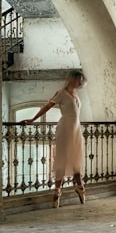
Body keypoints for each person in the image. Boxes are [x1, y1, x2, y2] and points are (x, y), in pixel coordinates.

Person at [21, 70, 87, 208]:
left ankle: (80, 188)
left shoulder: (76, 93)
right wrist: (33, 119)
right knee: (62, 159)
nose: (79, 82)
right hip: (65, 129)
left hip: (76, 129)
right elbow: (47, 106)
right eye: (77, 79)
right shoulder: (61, 93)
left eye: (80, 80)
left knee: (76, 160)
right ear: (71, 79)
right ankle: (57, 193)